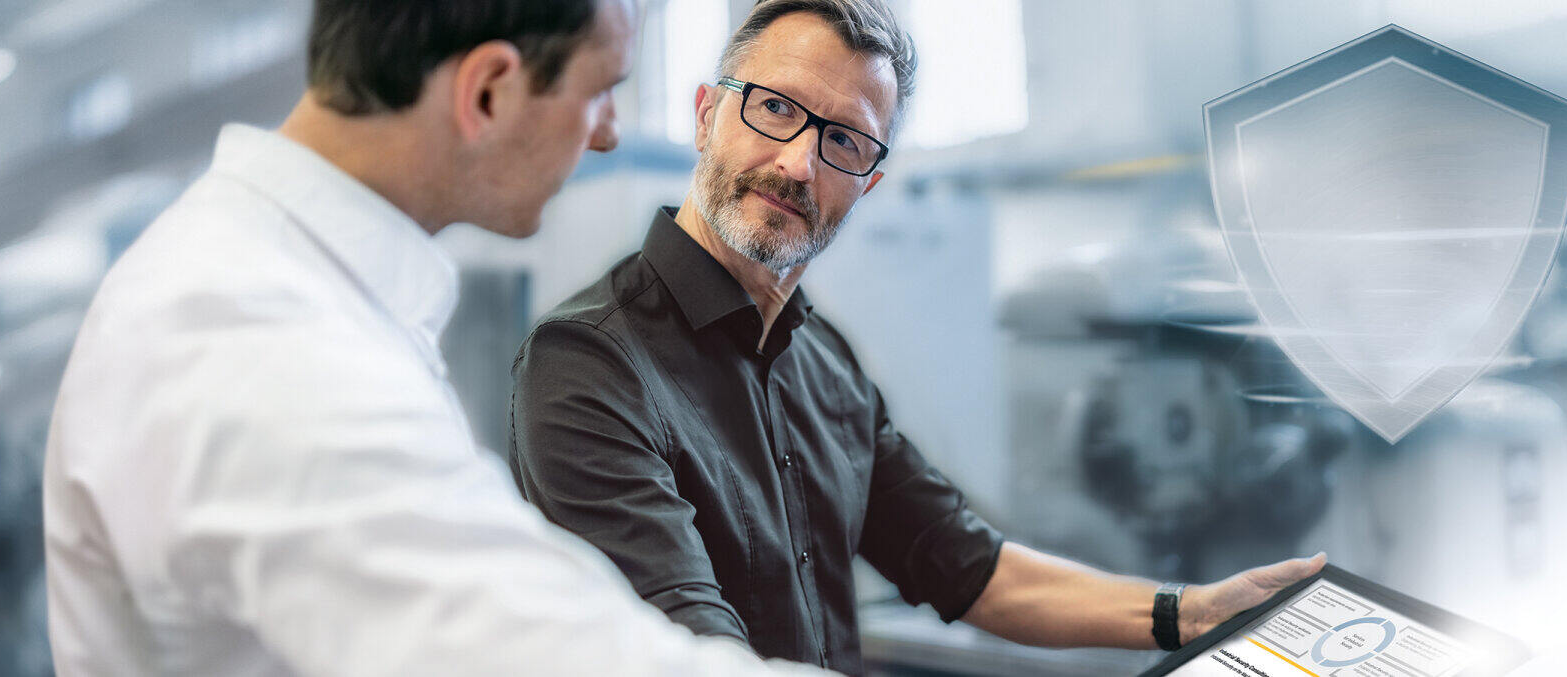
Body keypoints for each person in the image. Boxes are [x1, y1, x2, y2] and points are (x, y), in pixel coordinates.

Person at [506, 1, 1325, 674]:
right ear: (707, 114)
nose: (799, 164)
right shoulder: (588, 364)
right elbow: (690, 652)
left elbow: (968, 566)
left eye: (844, 141)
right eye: (778, 108)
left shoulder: (824, 365)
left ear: (869, 182)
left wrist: (1188, 610)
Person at [43, 1, 827, 674]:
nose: (608, 135)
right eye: (600, 92)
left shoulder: (288, 284)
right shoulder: (254, 340)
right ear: (487, 91)